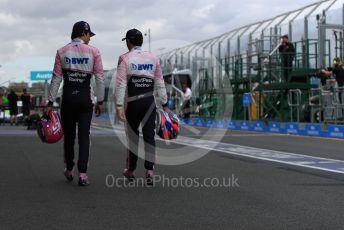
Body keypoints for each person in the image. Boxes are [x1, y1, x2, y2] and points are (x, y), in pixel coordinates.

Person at [47, 21, 105, 186]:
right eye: (89, 35)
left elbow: (56, 78)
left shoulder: (61, 51)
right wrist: (100, 101)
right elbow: (100, 79)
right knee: (84, 136)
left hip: (68, 99)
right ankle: (83, 174)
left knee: (69, 136)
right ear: (84, 34)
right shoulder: (94, 52)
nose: (90, 39)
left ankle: (69, 168)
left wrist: (50, 101)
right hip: (85, 98)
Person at [115, 28, 170, 185]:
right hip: (149, 102)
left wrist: (119, 105)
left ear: (129, 42)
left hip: (133, 102)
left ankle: (131, 170)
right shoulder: (153, 58)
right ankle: (150, 170)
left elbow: (120, 83)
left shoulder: (124, 58)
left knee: (132, 137)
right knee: (149, 136)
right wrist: (165, 104)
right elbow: (160, 83)